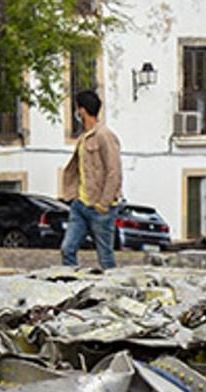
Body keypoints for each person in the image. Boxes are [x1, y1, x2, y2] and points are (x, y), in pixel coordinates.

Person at [61, 90, 122, 269]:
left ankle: (112, 292)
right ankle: (71, 287)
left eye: (77, 109)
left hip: (100, 208)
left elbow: (114, 172)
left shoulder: (105, 136)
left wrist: (104, 203)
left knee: (105, 257)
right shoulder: (83, 138)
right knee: (68, 249)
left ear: (82, 110)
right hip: (80, 205)